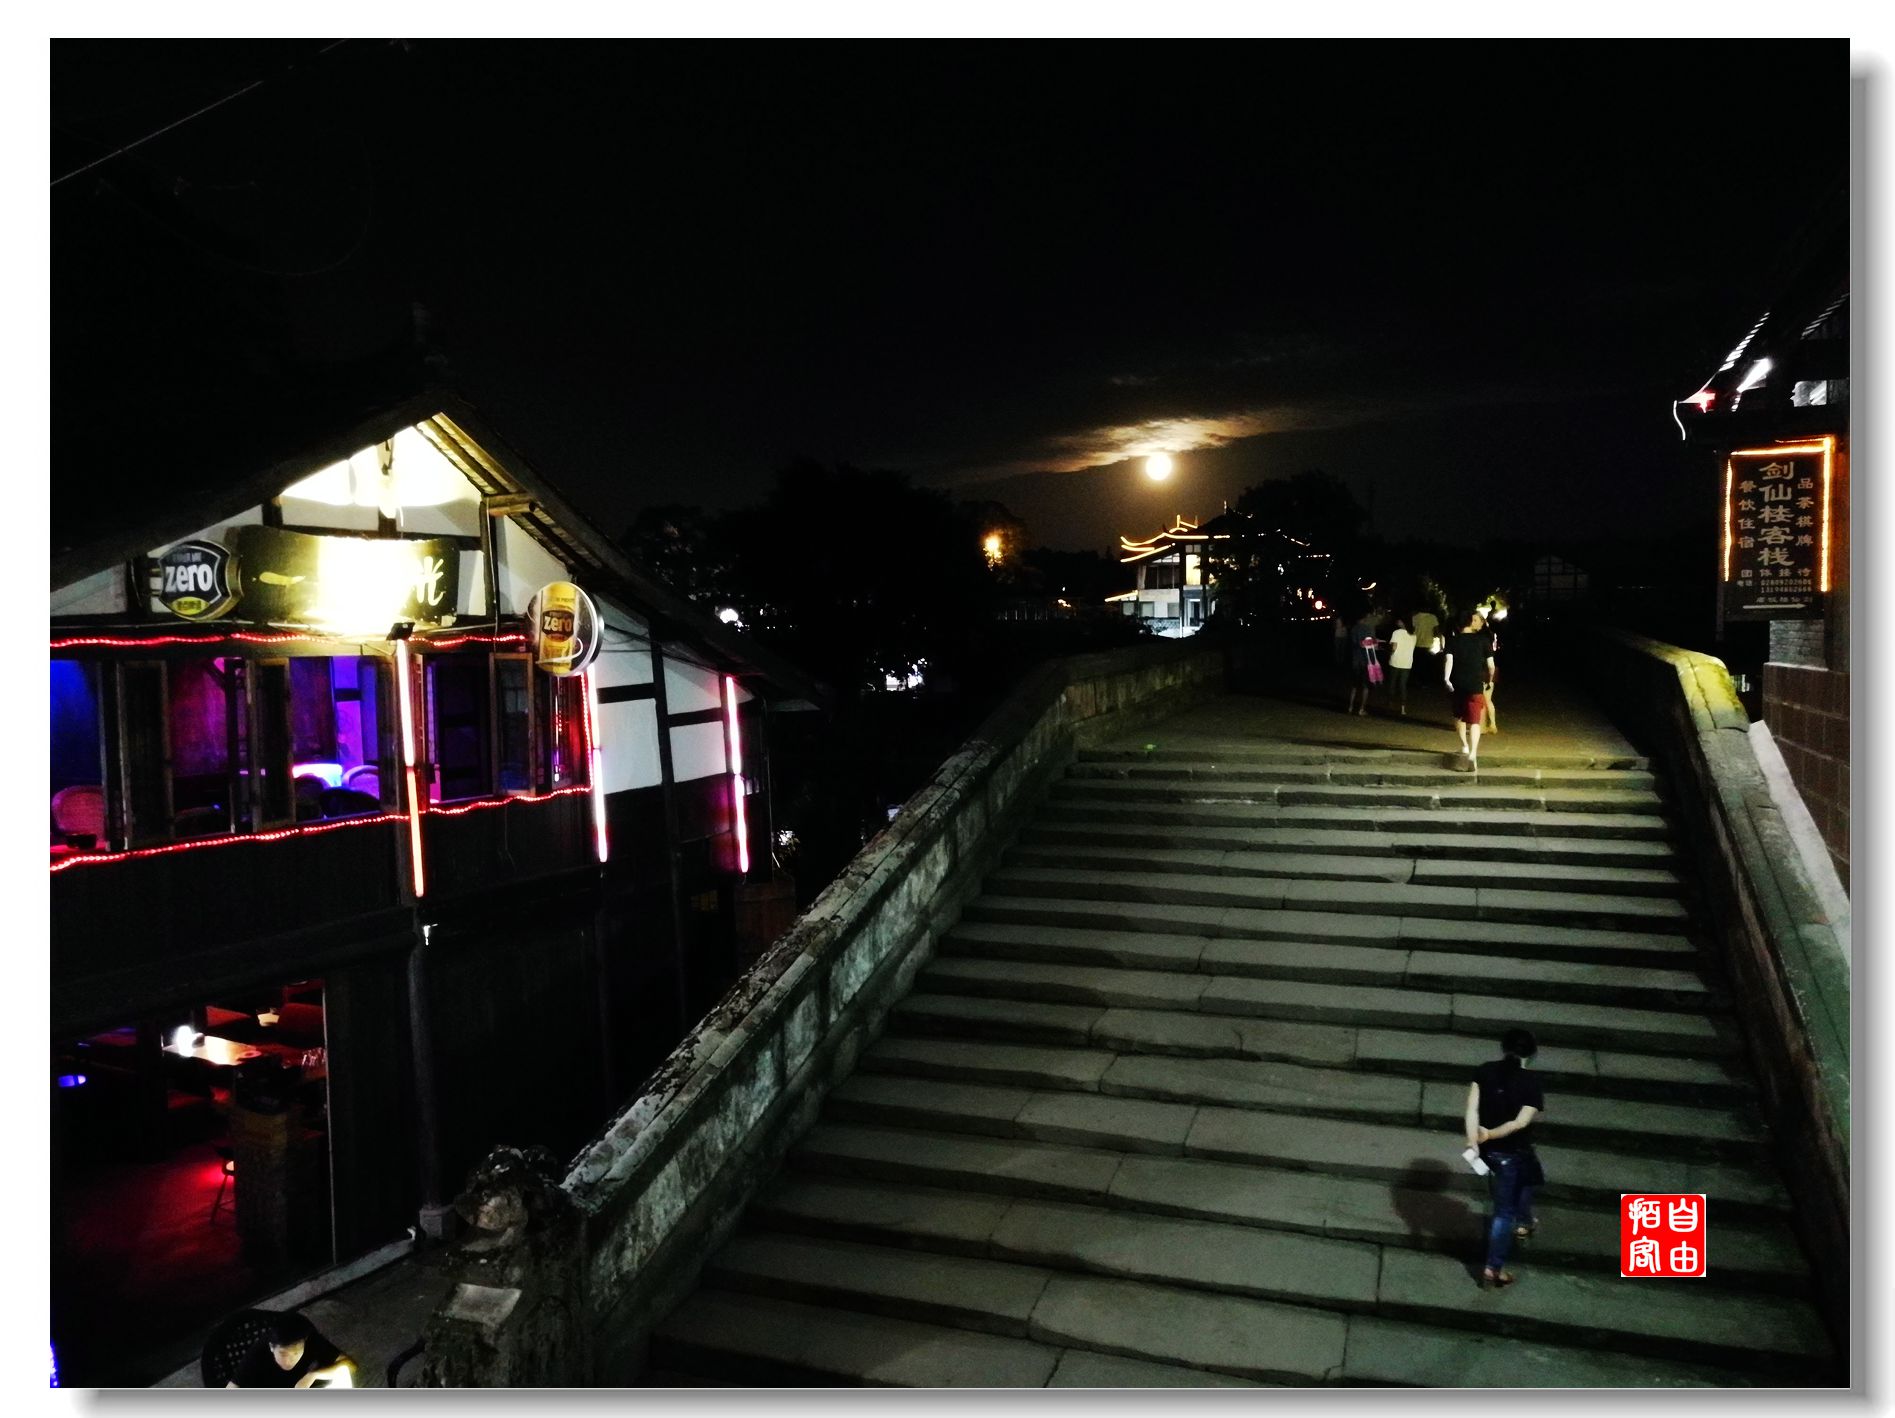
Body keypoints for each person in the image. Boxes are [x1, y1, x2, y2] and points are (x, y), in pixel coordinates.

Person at [1463, 1028, 1545, 1290]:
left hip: (1489, 1152)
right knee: (1504, 1211)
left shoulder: (1484, 1071)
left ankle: (1524, 1222)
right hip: (1514, 1152)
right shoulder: (1531, 1082)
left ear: (1504, 1047)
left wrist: (1474, 1140)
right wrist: (1490, 1134)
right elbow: (1519, 1123)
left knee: (1526, 1181)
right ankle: (1493, 1268)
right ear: (1531, 1053)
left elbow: (1472, 1110)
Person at [228, 1311, 354, 1389]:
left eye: (296, 1353)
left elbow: (350, 1365)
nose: (289, 1361)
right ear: (272, 1347)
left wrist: (314, 1375)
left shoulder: (311, 1341)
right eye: (283, 1353)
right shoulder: (258, 1353)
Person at [1441, 609, 1496, 769]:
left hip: (1457, 685)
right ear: (1470, 623)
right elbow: (1491, 666)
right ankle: (1473, 753)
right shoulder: (1483, 641)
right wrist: (1489, 680)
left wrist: (1446, 679)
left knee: (1458, 717)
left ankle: (1464, 745)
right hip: (1475, 685)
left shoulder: (1453, 641)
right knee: (1475, 721)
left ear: (1457, 625)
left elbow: (1448, 661)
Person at [1346, 607, 1382, 716]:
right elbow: (1372, 645)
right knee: (1365, 687)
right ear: (1365, 618)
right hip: (1366, 661)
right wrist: (1376, 644)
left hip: (1355, 661)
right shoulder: (1368, 629)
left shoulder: (1353, 629)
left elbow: (1354, 643)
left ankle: (1350, 707)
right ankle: (1361, 709)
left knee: (1354, 686)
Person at [1385, 615, 1417, 715]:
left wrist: (1389, 653)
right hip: (1407, 663)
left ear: (1403, 622)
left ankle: (1390, 704)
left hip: (1395, 661)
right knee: (1403, 685)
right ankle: (1403, 708)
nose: (1397, 622)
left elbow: (1393, 648)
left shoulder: (1396, 633)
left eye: (1399, 621)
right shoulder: (1413, 635)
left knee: (1392, 683)